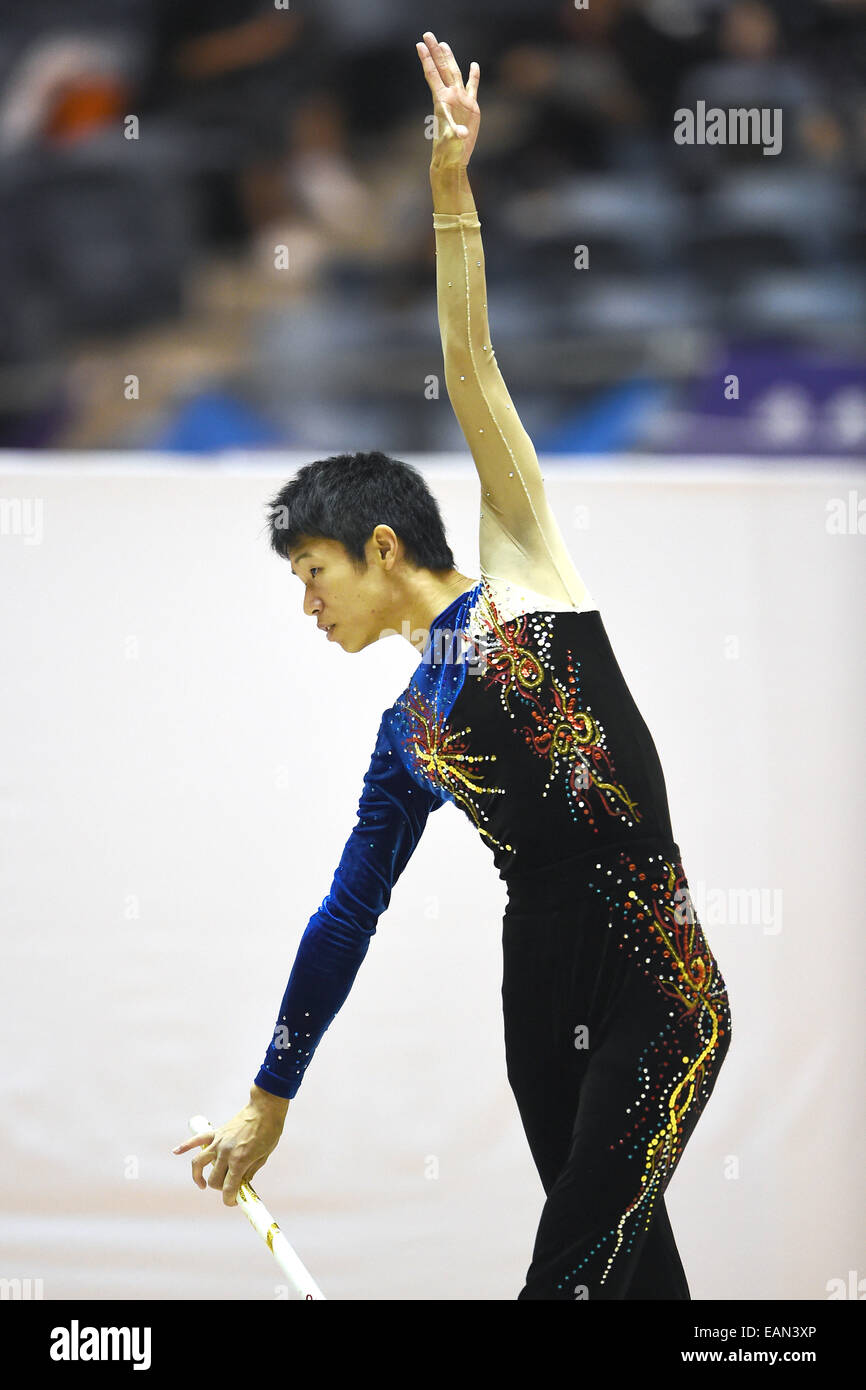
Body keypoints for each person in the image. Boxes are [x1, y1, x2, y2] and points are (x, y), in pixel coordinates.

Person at [173, 29, 733, 1300]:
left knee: (568, 1284)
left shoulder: (524, 571)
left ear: (381, 546)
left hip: (657, 989)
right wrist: (269, 1098)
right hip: (538, 1010)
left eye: (313, 573)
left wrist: (446, 191)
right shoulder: (405, 734)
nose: (306, 604)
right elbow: (344, 913)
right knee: (635, 1285)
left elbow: (472, 368)